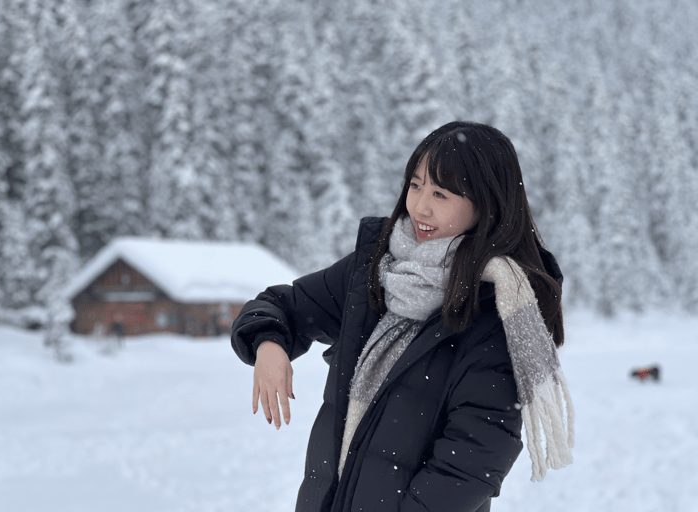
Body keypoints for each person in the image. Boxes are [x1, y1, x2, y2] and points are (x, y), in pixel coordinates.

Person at [231, 121, 574, 512]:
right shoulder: (378, 270)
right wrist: (269, 344)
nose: (420, 206)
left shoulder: (496, 312)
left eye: (440, 194)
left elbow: (472, 460)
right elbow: (283, 305)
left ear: (485, 204)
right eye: (415, 185)